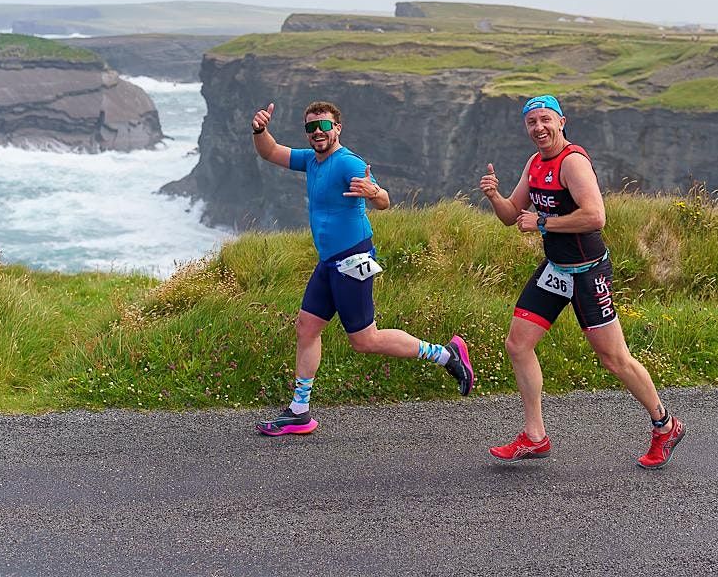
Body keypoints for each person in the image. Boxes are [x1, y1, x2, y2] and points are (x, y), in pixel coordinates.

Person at [478, 95, 685, 468]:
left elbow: (595, 217)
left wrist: (542, 223)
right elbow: (512, 216)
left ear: (562, 121)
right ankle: (535, 437)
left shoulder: (572, 162)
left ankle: (665, 425)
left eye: (545, 120)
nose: (538, 128)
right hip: (556, 269)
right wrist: (494, 196)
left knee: (614, 359)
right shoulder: (534, 163)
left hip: (588, 273)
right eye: (531, 122)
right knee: (518, 344)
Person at [250, 100, 474, 435]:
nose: (317, 133)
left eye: (324, 126)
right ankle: (299, 411)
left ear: (337, 128)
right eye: (310, 127)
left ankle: (447, 355)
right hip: (328, 262)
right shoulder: (311, 160)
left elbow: (383, 201)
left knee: (365, 340)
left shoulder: (347, 162)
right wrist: (259, 130)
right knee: (306, 328)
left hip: (352, 260)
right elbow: (271, 152)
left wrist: (374, 191)